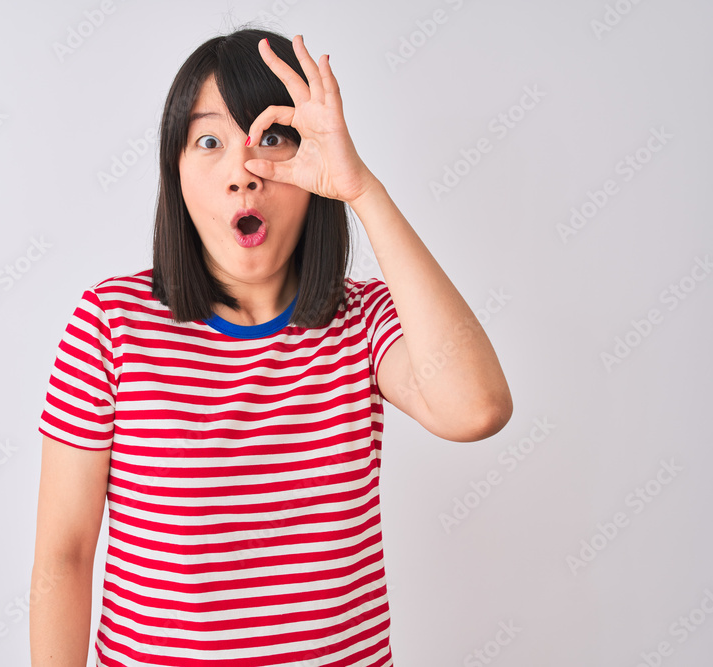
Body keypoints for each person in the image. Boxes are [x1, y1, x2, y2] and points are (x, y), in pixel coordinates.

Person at [30, 26, 512, 667]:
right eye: (209, 142)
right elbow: (64, 555)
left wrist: (362, 188)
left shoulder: (362, 321)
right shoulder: (111, 324)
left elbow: (476, 409)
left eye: (274, 139)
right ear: (175, 174)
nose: (243, 173)